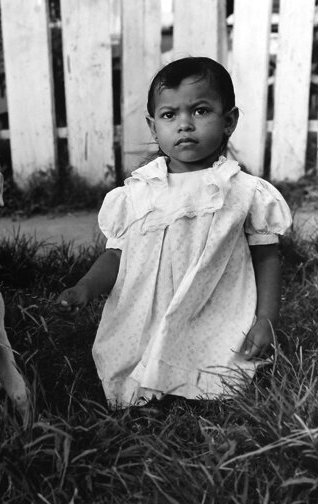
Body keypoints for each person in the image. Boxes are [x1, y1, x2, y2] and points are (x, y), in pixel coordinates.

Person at [57, 56, 293, 408]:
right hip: (147, 310)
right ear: (153, 127)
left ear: (229, 121)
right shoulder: (136, 193)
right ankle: (148, 394)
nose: (184, 124)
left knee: (218, 372)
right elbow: (117, 254)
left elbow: (267, 257)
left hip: (214, 308)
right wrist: (86, 287)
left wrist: (266, 320)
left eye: (200, 111)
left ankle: (203, 393)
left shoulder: (244, 191)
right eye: (170, 115)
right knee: (137, 373)